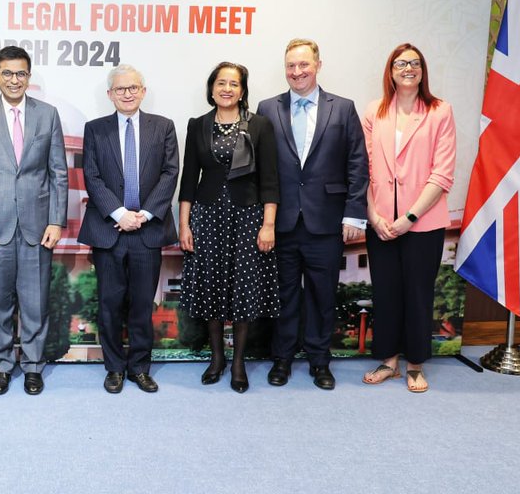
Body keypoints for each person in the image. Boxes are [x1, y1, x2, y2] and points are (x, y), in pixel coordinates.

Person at [256, 38, 368, 390]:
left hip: (327, 221)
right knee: (285, 295)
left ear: (318, 64)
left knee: (322, 295)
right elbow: (262, 168)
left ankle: (320, 361)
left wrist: (354, 214)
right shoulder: (268, 108)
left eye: (303, 64)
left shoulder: (343, 108)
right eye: (290, 66)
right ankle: (283, 359)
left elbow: (357, 162)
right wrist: (264, 219)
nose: (297, 72)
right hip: (283, 221)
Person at [0, 45, 68, 396]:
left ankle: (34, 366)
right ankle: (3, 366)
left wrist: (56, 221)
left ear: (29, 76)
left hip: (38, 228)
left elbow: (58, 173)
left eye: (20, 73)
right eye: (7, 73)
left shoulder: (47, 115)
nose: (14, 80)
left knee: (35, 302)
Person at [178, 62, 280, 393]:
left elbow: (270, 181)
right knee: (210, 287)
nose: (226, 89)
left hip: (248, 217)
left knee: (243, 289)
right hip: (206, 217)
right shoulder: (198, 126)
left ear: (242, 90)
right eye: (221, 83)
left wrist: (268, 224)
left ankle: (238, 363)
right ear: (211, 89)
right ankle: (217, 359)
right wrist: (184, 224)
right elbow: (188, 180)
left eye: (234, 84)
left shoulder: (260, 126)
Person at [361, 44, 456, 393]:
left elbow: (442, 174)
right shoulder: (375, 111)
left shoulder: (439, 111)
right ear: (390, 71)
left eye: (414, 63)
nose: (408, 68)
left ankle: (415, 364)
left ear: (422, 71)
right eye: (401, 63)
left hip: (423, 223)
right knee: (385, 292)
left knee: (418, 293)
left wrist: (410, 217)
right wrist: (373, 215)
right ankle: (389, 361)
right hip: (381, 222)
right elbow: (364, 168)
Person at [79, 65, 179, 394]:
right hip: (110, 229)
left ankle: (139, 367)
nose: (127, 93)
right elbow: (91, 177)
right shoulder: (95, 130)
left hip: (147, 231)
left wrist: (146, 214)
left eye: (133, 87)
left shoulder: (163, 127)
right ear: (110, 95)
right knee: (109, 303)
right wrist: (120, 213)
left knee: (141, 304)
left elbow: (169, 173)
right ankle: (114, 368)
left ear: (143, 90)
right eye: (120, 89)